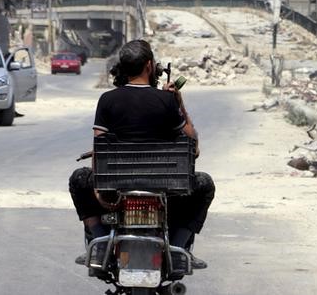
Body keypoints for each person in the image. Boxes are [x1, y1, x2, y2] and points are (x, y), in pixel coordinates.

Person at [69, 39, 215, 269]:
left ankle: (97, 241)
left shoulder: (107, 100)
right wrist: (179, 102)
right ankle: (178, 247)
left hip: (115, 186)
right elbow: (193, 145)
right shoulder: (166, 101)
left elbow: (99, 145)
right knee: (204, 184)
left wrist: (98, 189)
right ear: (149, 66)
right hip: (163, 186)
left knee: (78, 178)